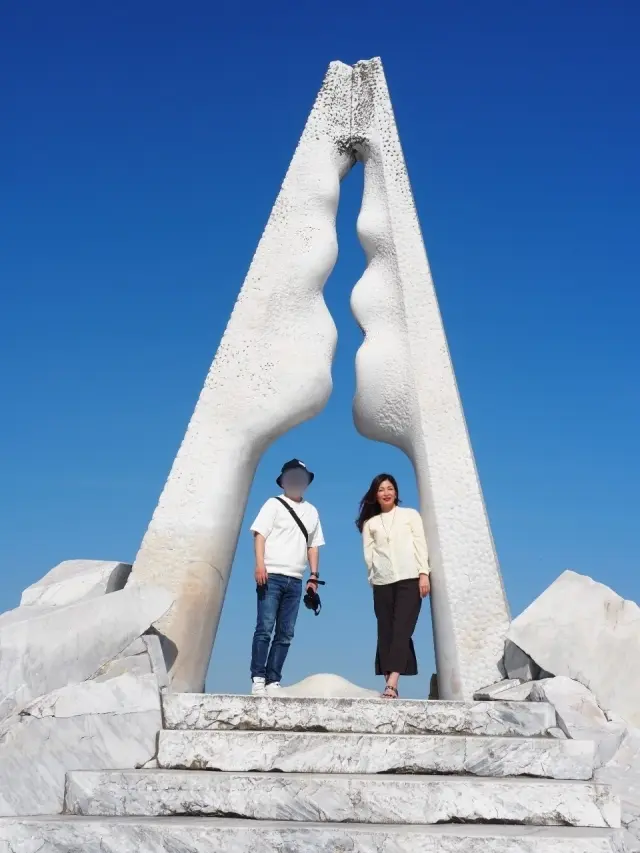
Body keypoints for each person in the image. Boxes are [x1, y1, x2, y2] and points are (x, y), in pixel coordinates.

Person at [249, 459, 325, 696]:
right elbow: (259, 534)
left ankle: (273, 679)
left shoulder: (312, 511)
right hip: (271, 575)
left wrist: (313, 576)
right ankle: (258, 677)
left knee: (286, 633)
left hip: (296, 578)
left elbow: (313, 546)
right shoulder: (273, 504)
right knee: (265, 627)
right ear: (282, 480)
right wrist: (260, 565)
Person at [356, 473, 430, 699]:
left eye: (389, 488)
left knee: (402, 630)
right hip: (382, 582)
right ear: (375, 495)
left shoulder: (410, 515)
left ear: (396, 492)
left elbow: (420, 544)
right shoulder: (371, 524)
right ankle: (388, 681)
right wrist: (373, 578)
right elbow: (368, 555)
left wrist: (424, 573)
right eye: (381, 490)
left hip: (410, 579)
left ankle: (392, 683)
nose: (386, 493)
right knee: (385, 632)